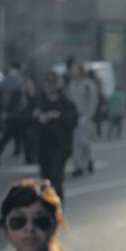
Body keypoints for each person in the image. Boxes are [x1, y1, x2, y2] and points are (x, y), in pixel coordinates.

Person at [35, 72, 78, 206]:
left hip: (59, 146)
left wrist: (57, 116)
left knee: (57, 178)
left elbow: (72, 119)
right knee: (45, 179)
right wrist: (38, 117)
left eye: (52, 83)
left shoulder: (65, 103)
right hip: (43, 145)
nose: (49, 86)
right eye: (47, 83)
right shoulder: (40, 102)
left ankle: (58, 207)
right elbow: (27, 118)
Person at [65, 60, 99, 177]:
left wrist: (89, 115)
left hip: (85, 116)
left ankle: (89, 159)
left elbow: (93, 101)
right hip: (74, 117)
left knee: (84, 142)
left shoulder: (88, 84)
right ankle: (78, 166)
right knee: (76, 143)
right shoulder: (72, 84)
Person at [0, 61, 26, 165]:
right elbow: (19, 98)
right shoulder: (19, 80)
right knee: (9, 134)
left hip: (8, 112)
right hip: (16, 112)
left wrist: (2, 111)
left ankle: (17, 150)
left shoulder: (5, 80)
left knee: (14, 133)